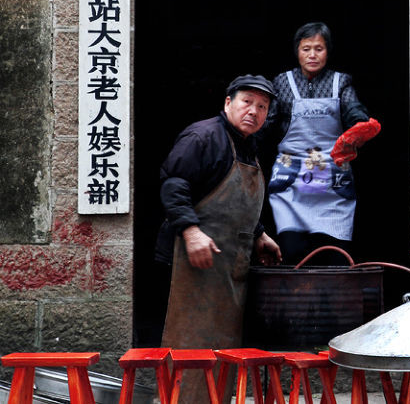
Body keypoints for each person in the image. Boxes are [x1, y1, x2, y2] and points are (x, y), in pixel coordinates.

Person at [155, 74, 282, 399]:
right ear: (228, 103)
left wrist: (259, 234)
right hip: (190, 266)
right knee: (190, 350)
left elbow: (238, 202)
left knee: (222, 354)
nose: (253, 111)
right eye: (246, 102)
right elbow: (174, 186)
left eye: (262, 106)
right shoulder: (203, 136)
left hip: (228, 272)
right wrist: (191, 231)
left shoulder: (250, 147)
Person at [260, 22, 381, 266]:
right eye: (306, 49)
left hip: (332, 177)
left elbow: (352, 108)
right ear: (297, 51)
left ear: (328, 51)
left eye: (319, 48)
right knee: (292, 251)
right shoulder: (282, 82)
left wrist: (360, 125)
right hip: (291, 176)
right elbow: (268, 122)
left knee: (334, 254)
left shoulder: (340, 82)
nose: (312, 55)